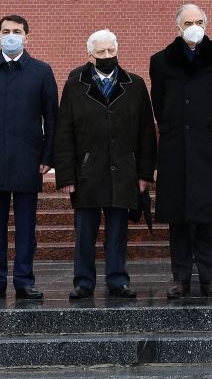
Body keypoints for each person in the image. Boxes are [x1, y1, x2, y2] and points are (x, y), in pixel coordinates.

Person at [55, 29, 157, 300]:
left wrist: (145, 173)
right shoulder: (75, 84)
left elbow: (147, 133)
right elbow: (64, 130)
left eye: (110, 51)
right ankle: (83, 282)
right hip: (87, 171)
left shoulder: (134, 85)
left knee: (117, 231)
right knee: (84, 232)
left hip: (124, 171)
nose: (106, 56)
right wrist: (66, 176)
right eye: (100, 52)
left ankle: (118, 280)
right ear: (89, 55)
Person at [0, 15, 58, 301]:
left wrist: (48, 155)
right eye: (6, 31)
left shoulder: (41, 72)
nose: (11, 35)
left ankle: (24, 280)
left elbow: (52, 119)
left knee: (26, 227)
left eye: (17, 31)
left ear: (26, 37)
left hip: (28, 160)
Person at [150, 4, 212, 299]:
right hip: (175, 149)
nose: (194, 26)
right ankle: (181, 278)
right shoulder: (161, 61)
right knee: (178, 217)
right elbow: (158, 104)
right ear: (178, 27)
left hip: (209, 149)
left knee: (208, 216)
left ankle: (209, 277)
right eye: (188, 22)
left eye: (199, 21)